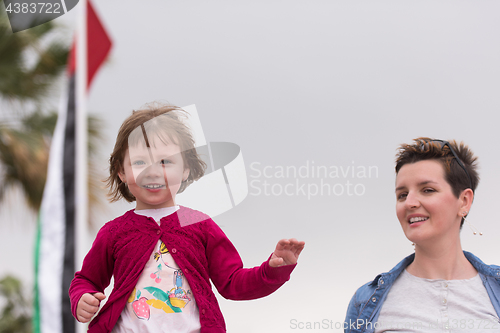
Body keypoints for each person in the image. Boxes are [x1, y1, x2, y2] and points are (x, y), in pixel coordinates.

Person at [69, 103, 305, 333]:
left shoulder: (200, 226)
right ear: (121, 171)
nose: (152, 171)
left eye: (165, 161)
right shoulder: (114, 232)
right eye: (139, 162)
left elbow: (232, 283)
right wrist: (82, 298)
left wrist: (272, 270)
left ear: (185, 170)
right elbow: (86, 280)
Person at [344, 137, 500, 333]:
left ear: (464, 201)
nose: (410, 203)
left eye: (427, 190)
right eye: (402, 194)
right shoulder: (365, 301)